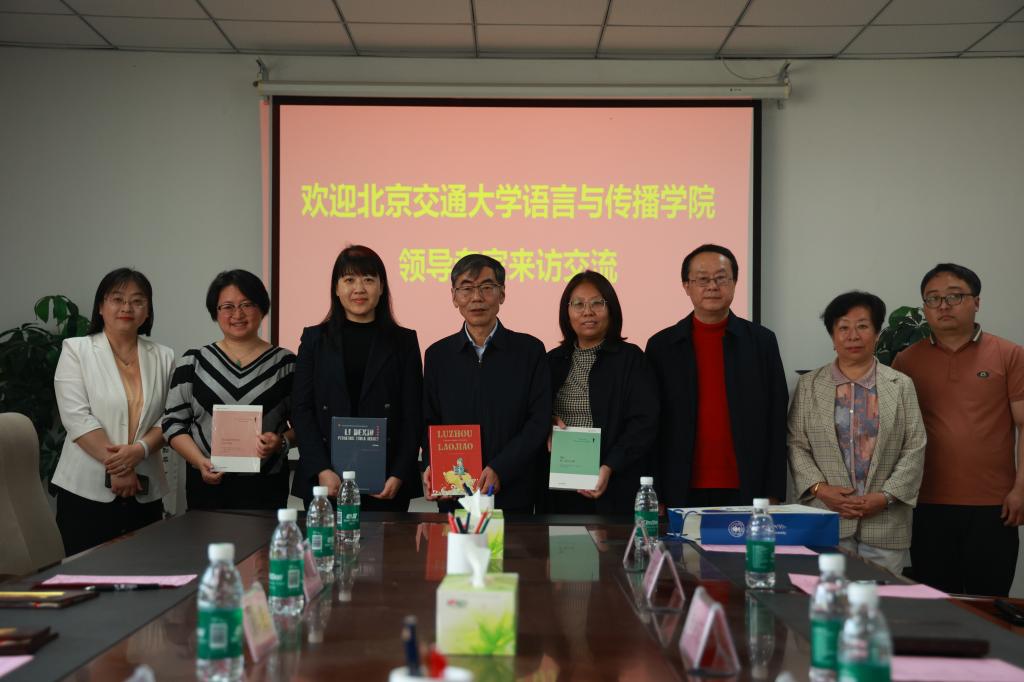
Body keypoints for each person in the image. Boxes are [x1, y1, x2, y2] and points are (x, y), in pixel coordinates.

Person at [893, 263, 1024, 596]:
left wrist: (1021, 489)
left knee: (990, 604)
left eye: (954, 296)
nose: (943, 306)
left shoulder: (1009, 355)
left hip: (993, 505)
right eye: (933, 298)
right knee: (938, 605)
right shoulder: (906, 361)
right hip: (926, 503)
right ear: (925, 307)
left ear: (976, 302)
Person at [787, 291, 926, 575]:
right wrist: (821, 490)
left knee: (882, 599)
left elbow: (915, 446)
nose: (853, 335)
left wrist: (885, 496)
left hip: (885, 521)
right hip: (826, 516)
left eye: (862, 326)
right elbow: (796, 443)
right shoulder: (809, 385)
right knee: (827, 596)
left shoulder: (901, 385)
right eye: (843, 327)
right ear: (833, 336)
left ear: (877, 333)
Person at [645, 244, 788, 508]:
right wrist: (657, 492)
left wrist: (774, 490)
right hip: (679, 486)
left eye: (721, 278)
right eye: (702, 279)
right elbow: (651, 424)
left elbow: (776, 419)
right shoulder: (661, 346)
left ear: (734, 283)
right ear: (686, 286)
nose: (712, 286)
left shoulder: (761, 342)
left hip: (748, 484)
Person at [52, 268, 174, 555]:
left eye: (137, 301)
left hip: (144, 488)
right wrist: (119, 467)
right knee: (86, 573)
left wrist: (140, 450)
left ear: (148, 311)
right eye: (117, 299)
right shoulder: (76, 350)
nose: (127, 307)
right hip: (86, 490)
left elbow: (171, 416)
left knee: (144, 571)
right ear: (100, 306)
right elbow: (76, 417)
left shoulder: (164, 356)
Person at [291, 245, 422, 510]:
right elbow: (301, 408)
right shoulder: (315, 340)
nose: (359, 289)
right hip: (327, 479)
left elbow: (414, 413)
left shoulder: (403, 341)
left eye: (368, 280)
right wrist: (321, 468)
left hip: (386, 481)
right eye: (349, 280)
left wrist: (399, 472)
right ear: (336, 288)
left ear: (382, 288)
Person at [422, 254, 551, 513]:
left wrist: (501, 468)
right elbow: (429, 420)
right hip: (456, 491)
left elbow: (539, 421)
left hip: (515, 489)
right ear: (454, 297)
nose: (477, 297)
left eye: (486, 287)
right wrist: (430, 464)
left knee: (516, 542)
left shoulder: (529, 351)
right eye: (466, 288)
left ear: (502, 294)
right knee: (457, 542)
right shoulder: (438, 355)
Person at [162, 270, 295, 511]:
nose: (238, 314)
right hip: (206, 483)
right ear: (215, 312)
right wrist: (199, 461)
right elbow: (172, 422)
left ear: (262, 308)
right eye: (227, 307)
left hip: (266, 486)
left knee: (265, 538)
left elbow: (307, 424)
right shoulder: (193, 362)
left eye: (247, 304)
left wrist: (281, 442)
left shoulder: (286, 364)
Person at [545, 270, 658, 514]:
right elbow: (532, 412)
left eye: (597, 303)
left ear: (611, 309)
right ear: (567, 312)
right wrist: (546, 422)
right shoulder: (551, 362)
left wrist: (610, 465)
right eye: (578, 304)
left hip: (615, 483)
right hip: (559, 489)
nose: (588, 312)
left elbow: (644, 421)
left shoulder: (631, 359)